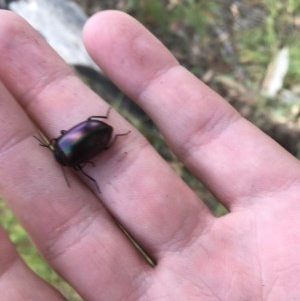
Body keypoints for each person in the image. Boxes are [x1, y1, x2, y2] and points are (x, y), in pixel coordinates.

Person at [0, 9, 299, 301]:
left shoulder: (73, 159)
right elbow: (78, 134)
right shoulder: (62, 145)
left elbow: (87, 147)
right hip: (95, 129)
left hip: (96, 134)